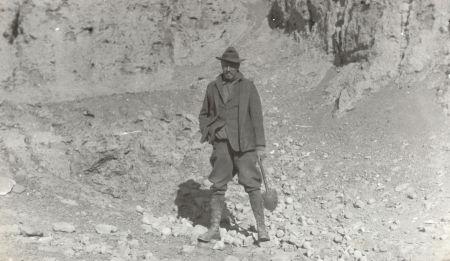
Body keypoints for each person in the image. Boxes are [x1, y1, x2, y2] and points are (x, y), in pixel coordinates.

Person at [197, 47, 269, 243]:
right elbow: (204, 114)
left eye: (231, 65)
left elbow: (257, 118)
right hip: (221, 144)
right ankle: (214, 229)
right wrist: (210, 131)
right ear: (221, 65)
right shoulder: (212, 87)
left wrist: (260, 146)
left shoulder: (248, 87)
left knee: (252, 184)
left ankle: (261, 228)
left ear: (238, 67)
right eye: (224, 65)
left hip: (245, 145)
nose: (227, 69)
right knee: (218, 185)